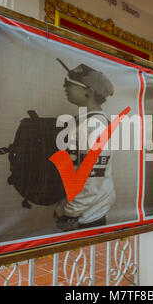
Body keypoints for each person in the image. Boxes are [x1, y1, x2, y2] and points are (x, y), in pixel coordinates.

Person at [54, 58, 116, 231]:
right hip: (78, 208)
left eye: (69, 83)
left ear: (89, 91)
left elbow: (93, 180)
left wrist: (69, 212)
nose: (65, 87)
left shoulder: (95, 125)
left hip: (86, 216)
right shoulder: (82, 122)